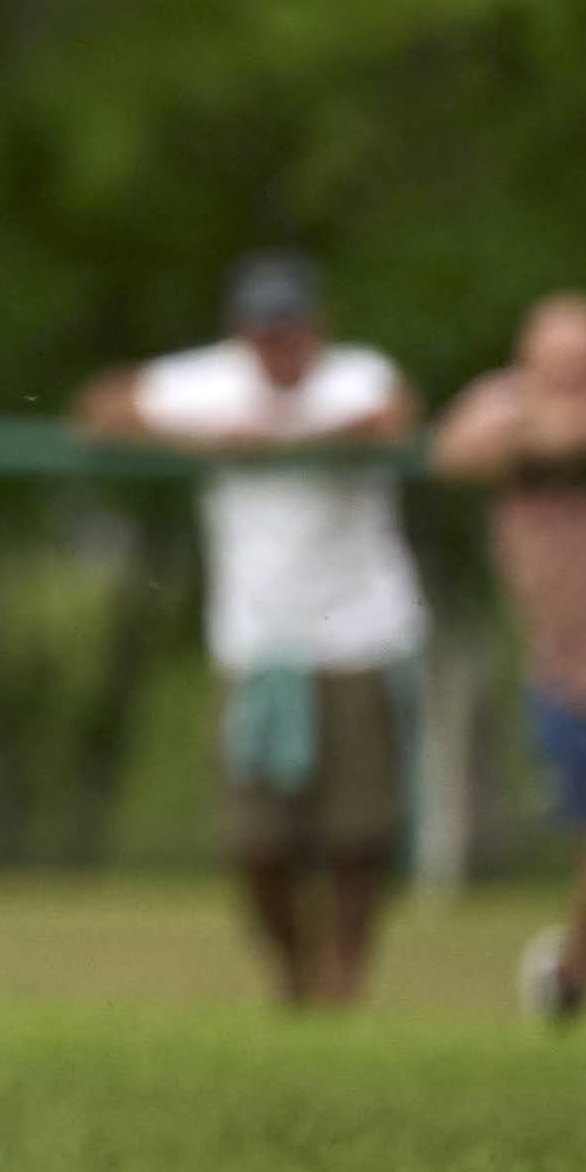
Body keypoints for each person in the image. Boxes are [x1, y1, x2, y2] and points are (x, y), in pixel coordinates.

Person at [72, 253, 426, 1009]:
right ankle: (295, 977)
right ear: (243, 334)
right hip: (254, 642)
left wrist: (276, 442)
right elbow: (99, 407)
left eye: (290, 331)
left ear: (317, 327)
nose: (278, 348)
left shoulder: (358, 374)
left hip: (359, 637)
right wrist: (198, 438)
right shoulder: (211, 381)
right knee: (254, 838)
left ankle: (344, 984)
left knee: (358, 836)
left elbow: (394, 417)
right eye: (264, 333)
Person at [430, 293, 586, 1024]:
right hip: (561, 675)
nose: (574, 380)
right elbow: (452, 452)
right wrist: (536, 434)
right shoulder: (496, 404)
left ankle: (567, 975)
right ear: (527, 362)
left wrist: (537, 437)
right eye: (558, 365)